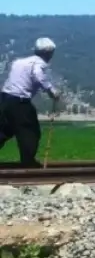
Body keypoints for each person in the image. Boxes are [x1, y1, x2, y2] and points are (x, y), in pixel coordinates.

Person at [0, 38, 61, 167]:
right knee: (30, 132)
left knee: (4, 130)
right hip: (20, 102)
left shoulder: (19, 62)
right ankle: (28, 162)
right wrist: (51, 91)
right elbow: (38, 75)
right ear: (49, 53)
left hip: (5, 99)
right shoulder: (39, 64)